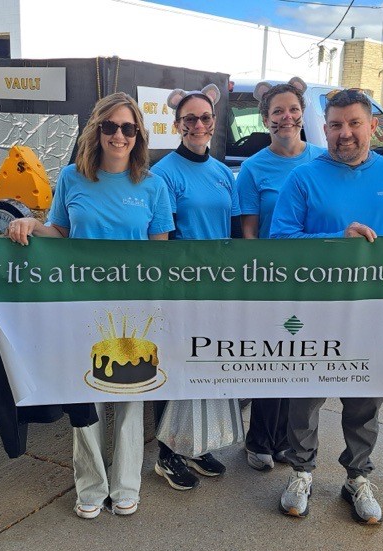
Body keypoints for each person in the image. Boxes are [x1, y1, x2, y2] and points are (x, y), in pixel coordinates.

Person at [6, 92, 174, 519]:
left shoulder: (154, 186)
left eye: (128, 128)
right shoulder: (71, 178)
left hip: (135, 310)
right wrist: (31, 224)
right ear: (96, 130)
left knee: (132, 401)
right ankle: (91, 485)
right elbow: (60, 233)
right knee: (84, 396)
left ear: (138, 135)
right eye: (111, 126)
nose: (119, 135)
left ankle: (126, 485)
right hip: (80, 306)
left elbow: (160, 255)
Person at [269, 88, 383, 525]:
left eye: (354, 123)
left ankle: (357, 476)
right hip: (314, 313)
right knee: (304, 399)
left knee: (365, 401)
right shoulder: (303, 178)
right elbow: (280, 241)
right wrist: (335, 242)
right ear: (325, 128)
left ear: (372, 126)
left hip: (374, 314)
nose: (344, 133)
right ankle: (302, 472)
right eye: (336, 125)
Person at [147, 84, 236, 490]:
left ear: (214, 122)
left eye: (204, 118)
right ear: (177, 124)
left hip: (217, 290)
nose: (198, 125)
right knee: (176, 369)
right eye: (189, 119)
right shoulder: (164, 173)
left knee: (204, 367)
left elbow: (230, 231)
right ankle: (166, 454)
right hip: (182, 289)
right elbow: (161, 237)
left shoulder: (221, 172)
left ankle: (194, 445)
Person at [235, 78, 324, 472]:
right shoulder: (253, 169)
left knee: (303, 360)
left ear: (302, 113)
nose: (285, 118)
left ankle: (291, 442)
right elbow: (250, 234)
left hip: (317, 278)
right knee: (270, 360)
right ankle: (259, 442)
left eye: (291, 110)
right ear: (265, 119)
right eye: (276, 112)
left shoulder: (323, 161)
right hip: (272, 279)